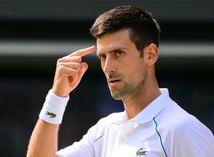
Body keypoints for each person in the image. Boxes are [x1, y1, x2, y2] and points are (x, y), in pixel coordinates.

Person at [27, 5, 214, 157]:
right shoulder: (104, 130)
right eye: (102, 57)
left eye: (118, 53)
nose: (108, 67)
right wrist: (58, 96)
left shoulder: (183, 129)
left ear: (150, 55)